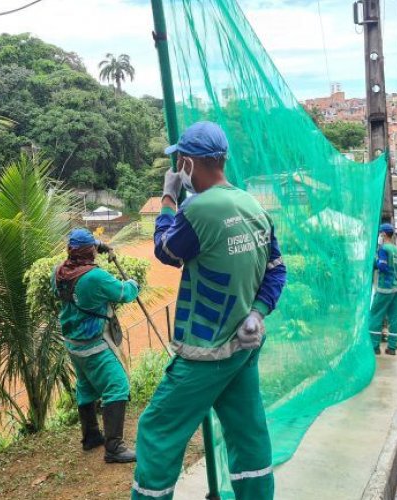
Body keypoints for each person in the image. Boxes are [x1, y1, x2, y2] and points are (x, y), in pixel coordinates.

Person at [132, 121, 287, 500]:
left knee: (158, 429)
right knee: (247, 434)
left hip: (205, 351)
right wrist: (258, 312)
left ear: (186, 163)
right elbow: (277, 269)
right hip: (244, 345)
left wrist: (168, 200)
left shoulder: (198, 210)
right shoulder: (253, 206)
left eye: (178, 163)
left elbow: (166, 251)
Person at [52, 228, 139, 463]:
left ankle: (91, 436)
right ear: (89, 252)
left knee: (86, 386)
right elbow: (124, 293)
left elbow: (86, 247)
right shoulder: (94, 278)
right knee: (118, 385)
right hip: (94, 345)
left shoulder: (59, 272)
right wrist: (133, 282)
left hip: (73, 343)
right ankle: (114, 448)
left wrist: (100, 244)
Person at [368, 223, 397, 356]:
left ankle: (374, 346)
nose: (380, 236)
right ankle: (392, 347)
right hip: (396, 288)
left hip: (385, 288)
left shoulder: (384, 249)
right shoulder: (396, 250)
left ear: (383, 234)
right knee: (394, 317)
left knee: (375, 315)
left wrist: (374, 263)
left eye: (380, 233)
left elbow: (382, 266)